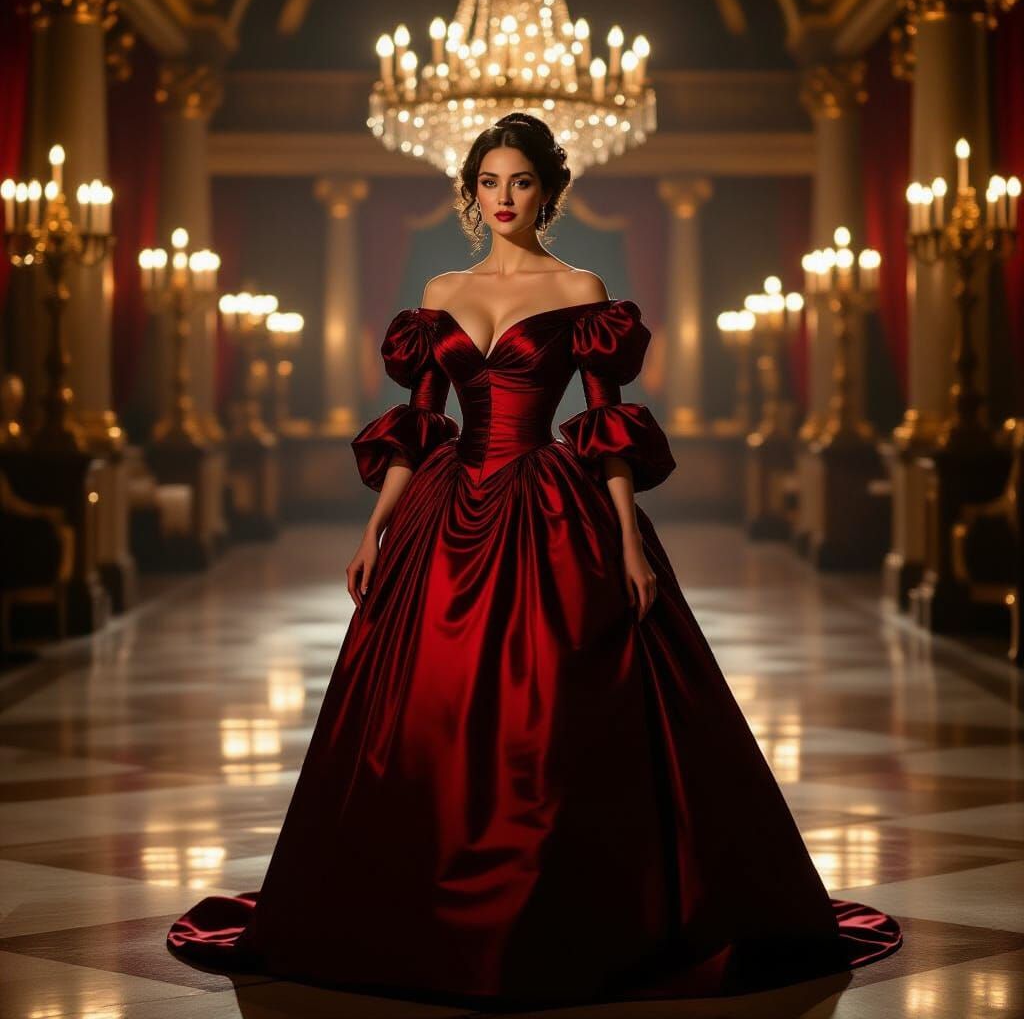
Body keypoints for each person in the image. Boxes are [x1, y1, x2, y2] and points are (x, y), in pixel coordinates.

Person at [167, 112, 902, 1009]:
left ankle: (572, 905)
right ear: (471, 192)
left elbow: (604, 422)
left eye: (520, 182)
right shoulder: (439, 292)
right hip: (446, 506)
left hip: (550, 506)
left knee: (552, 707)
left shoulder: (580, 287)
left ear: (548, 191)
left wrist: (627, 541)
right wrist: (376, 528)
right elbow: (420, 424)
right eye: (489, 182)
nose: (504, 197)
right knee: (426, 706)